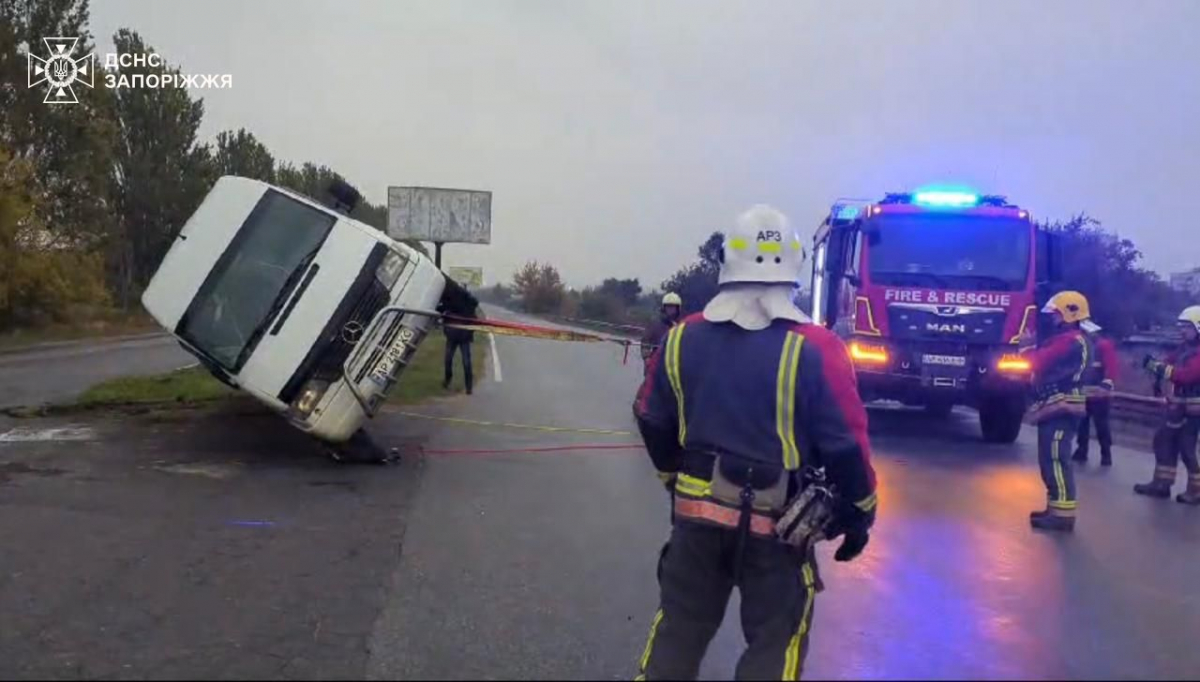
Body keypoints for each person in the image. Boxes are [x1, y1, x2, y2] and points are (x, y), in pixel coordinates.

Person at [632, 205, 877, 681]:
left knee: (679, 627)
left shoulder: (681, 338)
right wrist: (860, 513)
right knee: (775, 638)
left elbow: (649, 415)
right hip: (777, 531)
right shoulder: (817, 348)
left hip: (695, 524)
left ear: (726, 263)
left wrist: (673, 478)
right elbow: (846, 447)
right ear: (794, 265)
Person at [1020, 291, 1094, 533]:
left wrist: (1026, 348)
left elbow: (1039, 361)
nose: (1052, 317)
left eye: (1056, 313)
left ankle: (1062, 515)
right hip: (1058, 404)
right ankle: (1055, 508)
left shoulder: (1069, 341)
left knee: (1055, 458)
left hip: (1061, 405)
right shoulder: (1074, 340)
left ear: (1069, 314)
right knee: (1050, 457)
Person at [1134, 305, 1200, 505]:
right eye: (1181, 326)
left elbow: (1187, 376)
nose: (1182, 330)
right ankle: (1161, 484)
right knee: (1163, 441)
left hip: (1194, 410)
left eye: (1187, 327)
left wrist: (1159, 368)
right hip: (1178, 407)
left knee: (1186, 448)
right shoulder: (1185, 349)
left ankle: (1196, 490)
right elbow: (1169, 362)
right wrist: (1154, 363)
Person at [1073, 319, 1119, 466]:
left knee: (1100, 424)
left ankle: (1106, 454)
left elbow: (1111, 367)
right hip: (1084, 392)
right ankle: (1082, 450)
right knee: (1082, 423)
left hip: (1099, 393)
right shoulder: (1084, 347)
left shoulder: (1103, 346)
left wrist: (1106, 385)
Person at [438, 279, 480, 395]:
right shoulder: (449, 301)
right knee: (448, 360)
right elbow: (441, 309)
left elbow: (474, 317)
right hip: (453, 335)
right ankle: (447, 381)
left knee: (465, 362)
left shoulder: (468, 303)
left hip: (463, 336)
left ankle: (468, 387)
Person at [640, 293, 683, 375]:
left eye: (673, 307)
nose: (670, 310)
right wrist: (647, 358)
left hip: (674, 366)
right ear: (664, 308)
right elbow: (645, 342)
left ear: (678, 309)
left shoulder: (682, 325)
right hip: (656, 363)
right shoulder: (655, 324)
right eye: (668, 307)